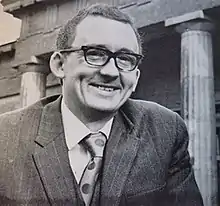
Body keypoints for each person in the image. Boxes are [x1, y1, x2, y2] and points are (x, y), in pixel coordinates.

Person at [0, 3, 203, 206]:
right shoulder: (6, 137)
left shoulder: (166, 130)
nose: (111, 72)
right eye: (95, 54)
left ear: (136, 77)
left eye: (125, 59)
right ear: (60, 65)